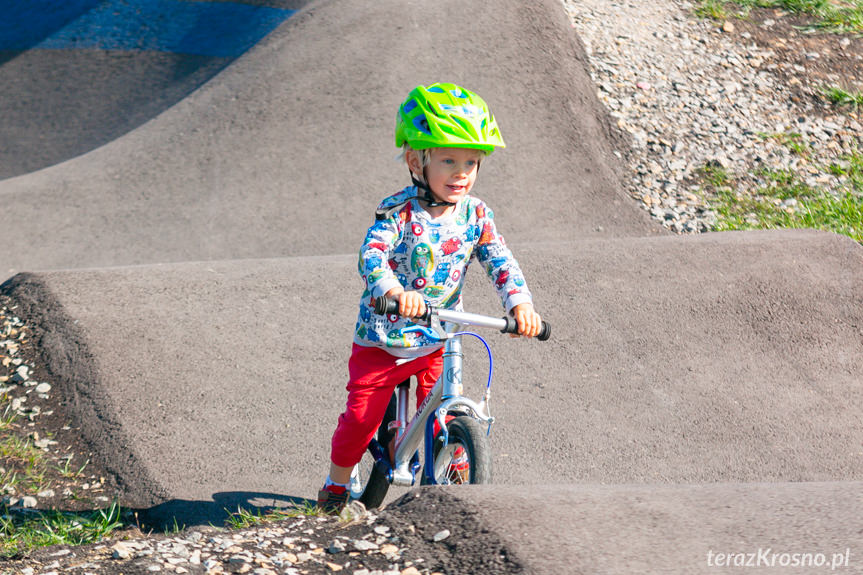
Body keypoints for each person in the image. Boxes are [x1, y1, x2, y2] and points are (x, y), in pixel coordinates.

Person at [317, 82, 543, 513]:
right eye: (448, 160)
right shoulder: (398, 212)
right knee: (362, 418)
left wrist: (520, 304)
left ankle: (456, 463)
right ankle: (335, 484)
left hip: (439, 335)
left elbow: (499, 259)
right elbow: (372, 256)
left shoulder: (476, 215)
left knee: (438, 404)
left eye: (471, 162)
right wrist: (395, 292)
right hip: (384, 336)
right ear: (415, 161)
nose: (461, 173)